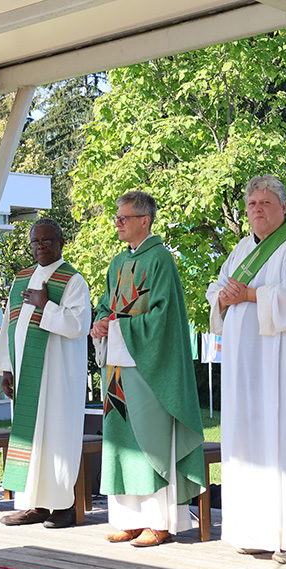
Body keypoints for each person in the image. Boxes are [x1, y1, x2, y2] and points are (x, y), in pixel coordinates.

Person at [205, 175, 286, 565]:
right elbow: (219, 289)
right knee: (247, 442)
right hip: (245, 369)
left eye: (266, 203)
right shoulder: (242, 249)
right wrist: (223, 298)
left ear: (284, 208)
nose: (257, 209)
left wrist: (248, 295)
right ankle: (254, 531)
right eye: (252, 204)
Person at [89, 190, 205, 548]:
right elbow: (106, 305)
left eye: (123, 218)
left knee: (150, 441)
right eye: (117, 218)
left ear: (145, 220)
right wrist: (99, 325)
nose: (118, 224)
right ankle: (129, 520)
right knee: (121, 444)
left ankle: (160, 521)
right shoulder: (117, 263)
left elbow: (163, 319)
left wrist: (118, 327)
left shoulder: (161, 261)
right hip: (117, 369)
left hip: (149, 368)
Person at [0, 218, 91, 529]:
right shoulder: (21, 279)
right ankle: (33, 504)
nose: (42, 246)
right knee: (29, 439)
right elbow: (10, 326)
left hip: (58, 377)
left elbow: (78, 326)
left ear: (62, 242)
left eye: (48, 240)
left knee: (58, 437)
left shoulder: (73, 280)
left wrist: (45, 304)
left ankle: (62, 506)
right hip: (26, 376)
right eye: (36, 242)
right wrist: (6, 368)